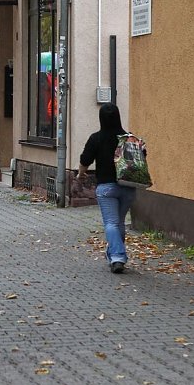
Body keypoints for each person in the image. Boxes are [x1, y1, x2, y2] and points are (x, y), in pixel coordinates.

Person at [77, 103, 136, 274]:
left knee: (111, 223)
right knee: (119, 222)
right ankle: (113, 256)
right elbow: (141, 157)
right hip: (128, 187)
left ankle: (117, 257)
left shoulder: (96, 138)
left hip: (106, 187)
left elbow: (85, 159)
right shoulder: (129, 138)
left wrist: (81, 174)